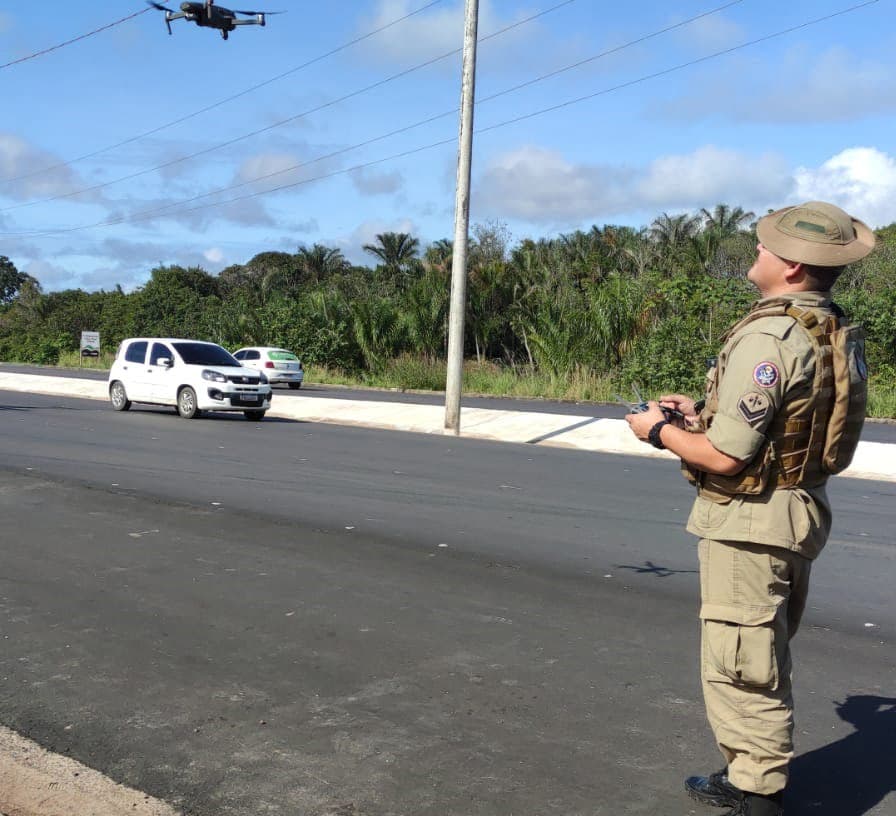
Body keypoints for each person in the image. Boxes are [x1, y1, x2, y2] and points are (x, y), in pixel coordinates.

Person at [624, 201, 875, 816]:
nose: (755, 254)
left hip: (754, 522)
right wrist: (699, 414)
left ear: (790, 265)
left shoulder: (770, 335)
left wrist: (657, 431)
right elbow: (784, 425)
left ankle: (757, 793)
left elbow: (726, 457)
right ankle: (752, 774)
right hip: (795, 509)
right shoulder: (827, 326)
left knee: (742, 667)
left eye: (764, 248)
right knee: (762, 654)